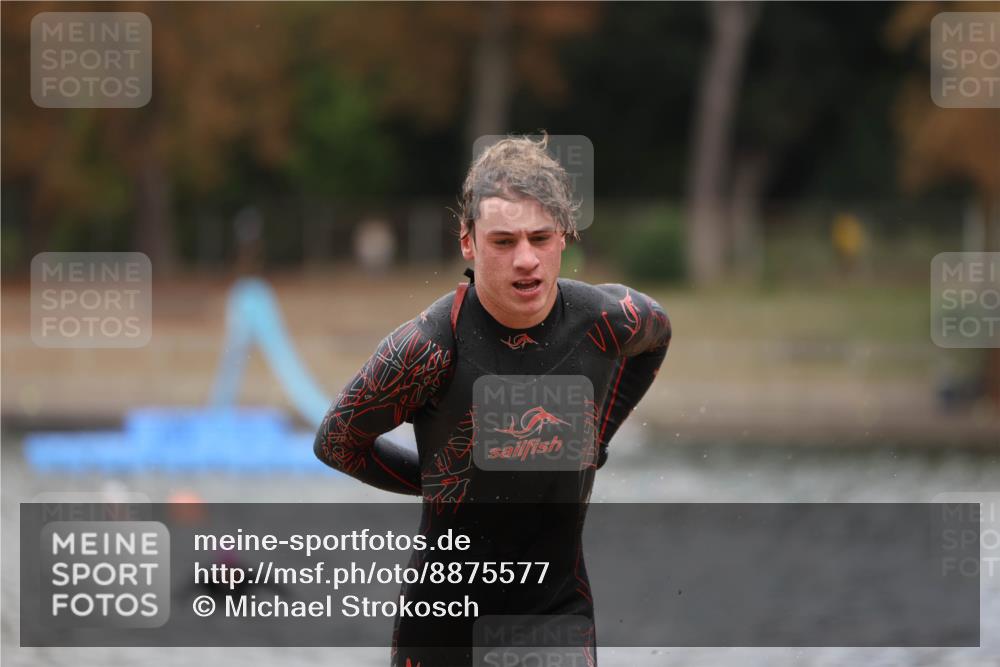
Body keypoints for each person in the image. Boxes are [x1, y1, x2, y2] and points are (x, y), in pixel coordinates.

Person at [314, 135, 671, 666]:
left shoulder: (605, 322)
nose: (526, 259)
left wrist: (597, 438)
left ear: (564, 235)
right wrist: (437, 481)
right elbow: (336, 443)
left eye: (540, 238)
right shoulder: (428, 348)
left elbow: (659, 336)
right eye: (503, 241)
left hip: (555, 614)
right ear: (468, 242)